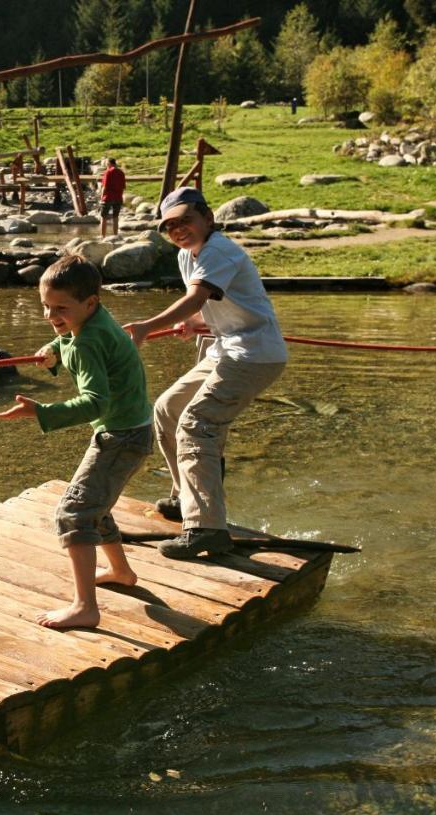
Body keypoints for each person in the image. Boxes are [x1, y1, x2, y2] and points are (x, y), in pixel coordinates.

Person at [123, 187, 288, 559]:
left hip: (254, 354)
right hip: (227, 348)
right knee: (167, 409)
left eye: (186, 220)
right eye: (170, 226)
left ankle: (206, 528)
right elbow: (211, 304)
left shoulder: (219, 250)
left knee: (197, 424)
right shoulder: (188, 256)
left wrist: (147, 326)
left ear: (207, 218)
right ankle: (187, 498)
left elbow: (197, 296)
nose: (178, 230)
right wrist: (197, 323)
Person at [0, 255, 152, 630]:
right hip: (132, 428)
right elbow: (71, 334)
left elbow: (96, 402)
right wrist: (54, 347)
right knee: (95, 501)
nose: (52, 315)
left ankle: (85, 608)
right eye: (46, 307)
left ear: (90, 303)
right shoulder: (96, 317)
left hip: (121, 435)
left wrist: (43, 412)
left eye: (60, 308)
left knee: (75, 513)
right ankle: (121, 571)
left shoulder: (85, 343)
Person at [99, 157, 126, 238]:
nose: (106, 166)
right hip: (118, 197)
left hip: (108, 197)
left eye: (106, 164)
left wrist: (101, 197)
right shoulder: (121, 172)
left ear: (109, 164)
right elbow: (123, 187)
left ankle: (102, 236)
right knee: (115, 217)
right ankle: (115, 235)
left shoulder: (108, 172)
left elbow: (105, 186)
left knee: (103, 217)